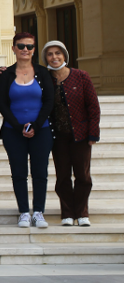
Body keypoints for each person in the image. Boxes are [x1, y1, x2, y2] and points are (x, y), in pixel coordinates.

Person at [0, 32, 55, 228]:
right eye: (21, 46)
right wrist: (18, 126)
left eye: (29, 46)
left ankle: (38, 212)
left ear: (34, 49)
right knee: (19, 172)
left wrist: (36, 125)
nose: (25, 50)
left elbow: (49, 101)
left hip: (41, 130)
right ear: (13, 48)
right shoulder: (6, 75)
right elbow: (3, 104)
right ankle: (23, 212)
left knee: (40, 172)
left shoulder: (43, 72)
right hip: (13, 131)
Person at [43, 40, 100, 227]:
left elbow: (93, 107)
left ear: (64, 55)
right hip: (57, 137)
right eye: (50, 54)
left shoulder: (81, 76)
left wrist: (93, 133)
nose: (54, 57)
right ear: (46, 58)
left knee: (83, 176)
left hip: (81, 135)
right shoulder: (44, 79)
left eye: (58, 53)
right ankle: (67, 212)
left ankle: (82, 212)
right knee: (62, 177)